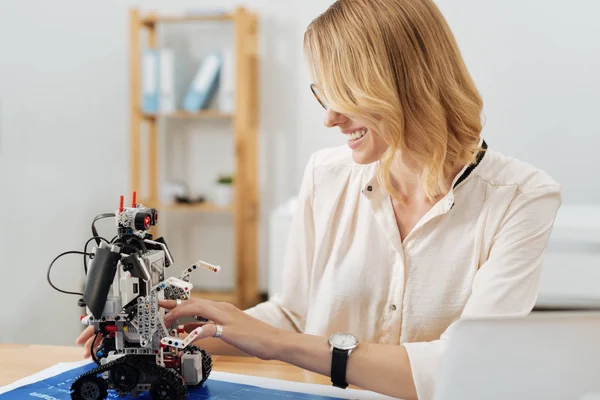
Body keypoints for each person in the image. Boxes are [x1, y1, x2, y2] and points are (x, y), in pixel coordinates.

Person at [77, 0, 562, 398]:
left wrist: (278, 343)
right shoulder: (326, 175)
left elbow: (466, 369)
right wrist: (178, 332)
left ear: (404, 84)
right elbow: (294, 315)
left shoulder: (521, 198)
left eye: (344, 93)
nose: (329, 117)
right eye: (322, 94)